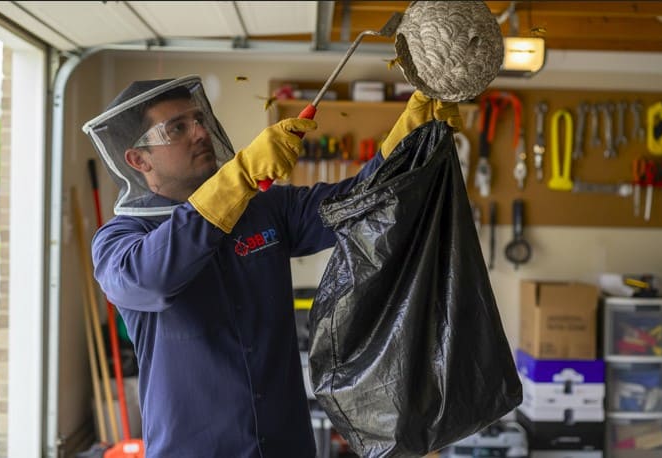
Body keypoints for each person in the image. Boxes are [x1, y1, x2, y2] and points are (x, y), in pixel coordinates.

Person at [82, 74, 460, 457]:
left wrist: (408, 144)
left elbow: (358, 206)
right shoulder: (120, 240)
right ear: (137, 159)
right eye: (177, 128)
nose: (199, 133)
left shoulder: (264, 209)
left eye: (198, 120)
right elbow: (151, 279)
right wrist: (238, 178)